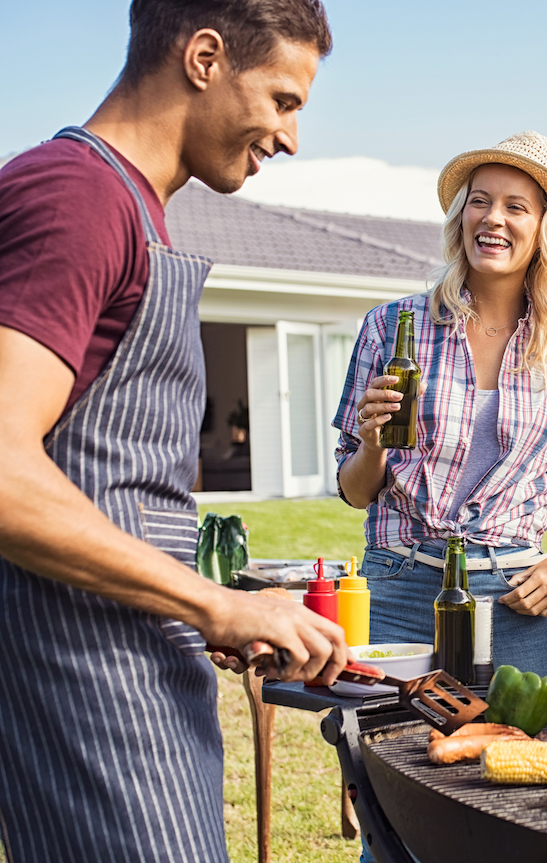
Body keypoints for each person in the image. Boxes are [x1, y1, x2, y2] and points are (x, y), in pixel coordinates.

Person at [0, 2, 348, 862]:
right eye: (282, 99)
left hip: (133, 657)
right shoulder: (78, 196)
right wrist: (213, 602)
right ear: (203, 57)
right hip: (85, 683)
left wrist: (213, 611)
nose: (289, 135)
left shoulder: (135, 210)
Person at [333, 131, 547, 695]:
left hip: (512, 595)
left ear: (541, 230)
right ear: (461, 217)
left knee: (518, 767)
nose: (494, 219)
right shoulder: (391, 328)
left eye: (516, 207)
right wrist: (371, 445)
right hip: (398, 585)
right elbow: (354, 489)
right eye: (480, 201)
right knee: (382, 770)